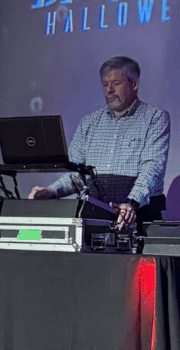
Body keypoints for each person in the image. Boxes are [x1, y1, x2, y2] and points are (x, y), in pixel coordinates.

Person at [28, 56, 170, 230]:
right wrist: (51, 191)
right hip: (95, 220)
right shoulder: (89, 123)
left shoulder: (155, 118)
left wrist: (131, 203)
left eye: (116, 83)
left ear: (134, 84)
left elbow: (152, 169)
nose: (109, 90)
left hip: (140, 219)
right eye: (105, 84)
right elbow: (76, 174)